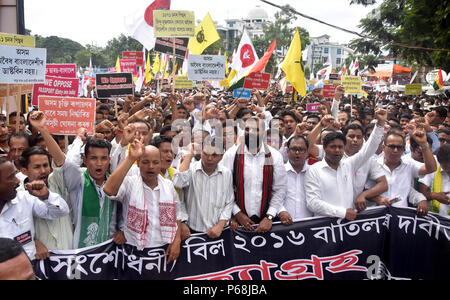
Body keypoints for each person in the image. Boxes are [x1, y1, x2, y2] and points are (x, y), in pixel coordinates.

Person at [28, 111, 124, 249]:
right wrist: (43, 129)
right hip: (79, 254)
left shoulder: (115, 183)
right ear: (84, 160)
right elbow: (63, 162)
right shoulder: (78, 180)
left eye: (103, 158)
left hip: (109, 252)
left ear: (109, 160)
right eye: (93, 158)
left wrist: (122, 230)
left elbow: (125, 212)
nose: (99, 163)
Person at [103, 141, 182, 263]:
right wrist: (131, 158)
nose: (151, 166)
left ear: (160, 164)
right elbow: (108, 190)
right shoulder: (130, 183)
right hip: (133, 251)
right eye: (145, 162)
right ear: (138, 164)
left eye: (155, 162)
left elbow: (177, 215)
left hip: (163, 250)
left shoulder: (168, 185)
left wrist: (177, 241)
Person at [304, 108, 387, 220]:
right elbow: (312, 203)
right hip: (324, 227)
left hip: (348, 226)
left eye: (340, 147)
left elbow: (369, 149)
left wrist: (380, 124)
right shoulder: (314, 170)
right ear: (324, 148)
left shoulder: (348, 165)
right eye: (333, 147)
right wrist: (342, 213)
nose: (337, 150)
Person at [222, 117, 287, 233]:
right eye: (247, 129)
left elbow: (279, 190)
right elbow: (224, 188)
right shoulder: (231, 155)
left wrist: (270, 216)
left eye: (256, 129)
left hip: (266, 222)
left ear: (263, 132)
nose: (251, 133)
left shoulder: (275, 156)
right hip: (237, 223)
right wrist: (237, 213)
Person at [0, 157, 70, 259]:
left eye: (15, 175)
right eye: (11, 177)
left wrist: (46, 196)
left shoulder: (24, 199)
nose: (17, 181)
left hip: (29, 270)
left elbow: (61, 211)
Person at [17, 146, 73, 259]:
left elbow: (61, 161)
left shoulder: (57, 182)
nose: (43, 171)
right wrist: (33, 242)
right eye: (37, 167)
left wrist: (47, 196)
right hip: (40, 262)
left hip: (69, 256)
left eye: (45, 165)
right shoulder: (18, 196)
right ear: (24, 171)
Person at [173, 136, 234, 239]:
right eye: (206, 154)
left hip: (218, 232)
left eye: (214, 155)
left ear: (221, 156)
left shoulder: (226, 173)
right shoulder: (190, 169)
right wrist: (189, 155)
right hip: (191, 231)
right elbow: (178, 183)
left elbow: (229, 202)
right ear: (201, 152)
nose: (210, 158)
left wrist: (220, 225)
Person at [374, 128, 437, 216]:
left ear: (404, 149)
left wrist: (424, 145)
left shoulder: (409, 165)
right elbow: (363, 190)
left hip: (401, 218)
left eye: (399, 147)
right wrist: (378, 199)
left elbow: (431, 168)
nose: (395, 150)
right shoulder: (373, 165)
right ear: (384, 147)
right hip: (376, 217)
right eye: (392, 146)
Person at [341, 124, 388, 211]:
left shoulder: (368, 159)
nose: (355, 140)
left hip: (357, 212)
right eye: (351, 136)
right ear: (344, 138)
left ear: (363, 140)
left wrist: (364, 194)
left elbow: (383, 184)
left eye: (359, 137)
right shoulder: (336, 157)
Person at [277, 135, 312, 224]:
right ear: (287, 151)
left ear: (307, 152)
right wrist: (281, 211)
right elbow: (273, 196)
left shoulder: (314, 172)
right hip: (283, 225)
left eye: (301, 149)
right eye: (293, 149)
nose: (297, 152)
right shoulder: (278, 171)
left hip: (310, 224)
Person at [419, 144, 450, 217]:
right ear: (439, 161)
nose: (448, 168)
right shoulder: (433, 170)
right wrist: (434, 195)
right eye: (445, 165)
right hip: (436, 221)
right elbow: (421, 194)